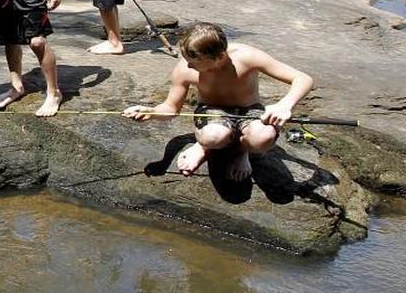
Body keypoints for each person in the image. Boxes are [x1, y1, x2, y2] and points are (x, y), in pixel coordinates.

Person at [121, 22, 315, 181]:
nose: (188, 65)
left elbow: (303, 79)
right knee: (212, 137)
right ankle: (204, 146)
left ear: (220, 56)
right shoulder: (185, 69)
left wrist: (285, 105)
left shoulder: (246, 57)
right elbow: (171, 108)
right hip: (212, 111)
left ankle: (241, 151)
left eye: (194, 61)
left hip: (250, 110)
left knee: (262, 139)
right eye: (187, 58)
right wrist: (152, 112)